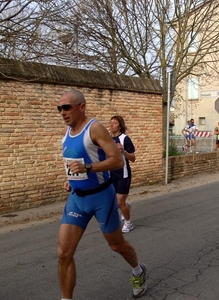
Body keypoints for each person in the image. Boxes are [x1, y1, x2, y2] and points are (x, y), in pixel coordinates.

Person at [57, 89, 147, 299]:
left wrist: (88, 168)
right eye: (60, 108)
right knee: (64, 253)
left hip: (101, 197)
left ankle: (138, 270)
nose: (62, 112)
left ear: (82, 107)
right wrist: (71, 180)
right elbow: (74, 163)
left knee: (116, 245)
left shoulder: (94, 128)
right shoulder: (68, 132)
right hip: (77, 199)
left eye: (67, 107)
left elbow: (116, 160)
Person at [109, 116, 136, 233]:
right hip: (111, 174)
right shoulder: (107, 139)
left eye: (114, 123)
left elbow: (133, 158)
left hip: (123, 174)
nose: (111, 125)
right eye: (110, 123)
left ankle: (128, 223)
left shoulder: (125, 139)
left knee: (120, 202)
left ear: (120, 126)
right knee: (114, 201)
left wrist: (123, 152)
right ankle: (126, 206)